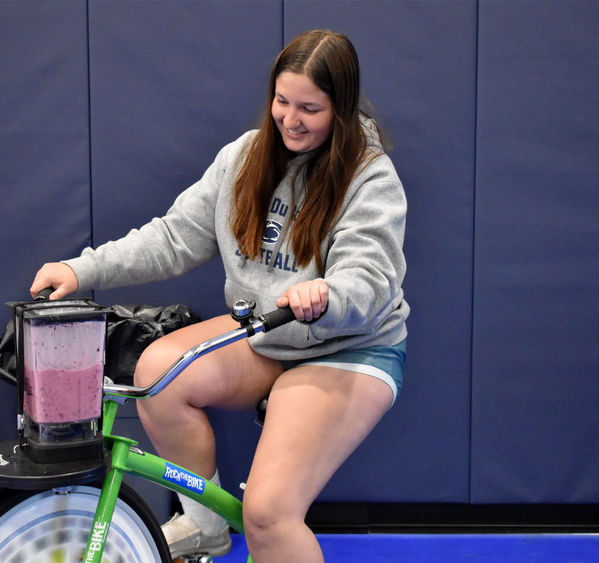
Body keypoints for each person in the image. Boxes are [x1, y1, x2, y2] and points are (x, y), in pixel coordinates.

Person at [31, 29, 409, 563]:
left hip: (346, 349)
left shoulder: (370, 178)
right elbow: (172, 238)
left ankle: (254, 529)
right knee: (158, 375)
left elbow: (370, 278)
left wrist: (329, 293)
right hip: (267, 332)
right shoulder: (244, 158)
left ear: (341, 110)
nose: (290, 119)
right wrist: (81, 267)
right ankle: (205, 527)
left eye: (310, 108)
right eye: (282, 101)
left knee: (268, 516)